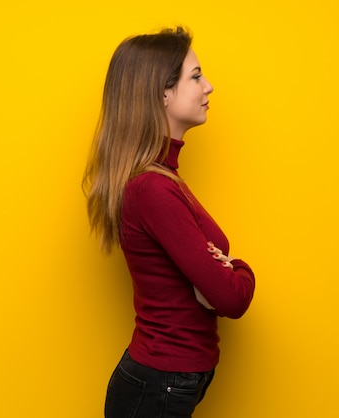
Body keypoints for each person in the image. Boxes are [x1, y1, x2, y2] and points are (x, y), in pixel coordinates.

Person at [82, 26, 256, 418]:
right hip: (158, 385)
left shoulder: (162, 178)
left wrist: (216, 277)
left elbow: (216, 290)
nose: (208, 86)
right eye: (195, 76)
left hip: (164, 383)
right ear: (162, 93)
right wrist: (238, 271)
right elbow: (231, 297)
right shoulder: (152, 189)